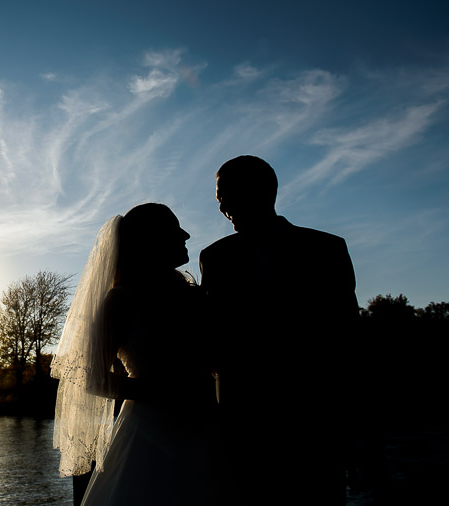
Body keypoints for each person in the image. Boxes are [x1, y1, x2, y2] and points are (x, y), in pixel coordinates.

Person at [199, 155, 358, 505]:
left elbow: (348, 342)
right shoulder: (214, 257)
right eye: (218, 199)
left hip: (314, 428)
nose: (222, 205)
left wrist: (356, 436)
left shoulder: (326, 249)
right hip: (240, 429)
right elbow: (210, 339)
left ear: (261, 191)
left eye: (225, 194)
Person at [52, 203, 218, 506]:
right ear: (150, 240)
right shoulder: (121, 299)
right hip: (150, 431)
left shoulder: (193, 295)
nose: (186, 234)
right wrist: (163, 390)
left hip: (208, 423)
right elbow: (92, 380)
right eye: (174, 229)